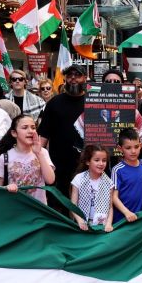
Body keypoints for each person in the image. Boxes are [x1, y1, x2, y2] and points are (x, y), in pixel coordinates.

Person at [38, 65, 88, 201]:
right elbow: (43, 136)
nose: (73, 78)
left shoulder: (93, 102)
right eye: (69, 75)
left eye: (77, 75)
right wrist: (37, 158)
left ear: (85, 78)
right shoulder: (54, 103)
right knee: (60, 203)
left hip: (87, 165)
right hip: (59, 166)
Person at [0, 114, 55, 204]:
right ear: (14, 133)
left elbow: (50, 180)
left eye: (33, 128)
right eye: (25, 128)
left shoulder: (42, 152)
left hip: (39, 209)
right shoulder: (5, 157)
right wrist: (6, 188)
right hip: (15, 209)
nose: (30, 131)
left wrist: (38, 153)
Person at [111, 127, 142, 222]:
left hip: (139, 216)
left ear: (141, 146)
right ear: (120, 149)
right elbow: (114, 197)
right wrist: (126, 212)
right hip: (121, 219)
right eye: (128, 148)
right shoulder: (117, 170)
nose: (133, 151)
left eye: (136, 146)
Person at [70, 144, 115, 231]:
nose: (101, 163)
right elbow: (73, 205)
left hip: (101, 226)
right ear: (88, 161)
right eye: (97, 160)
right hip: (81, 224)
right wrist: (80, 221)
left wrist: (109, 224)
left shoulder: (109, 182)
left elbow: (110, 207)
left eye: (104, 160)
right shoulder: (78, 179)